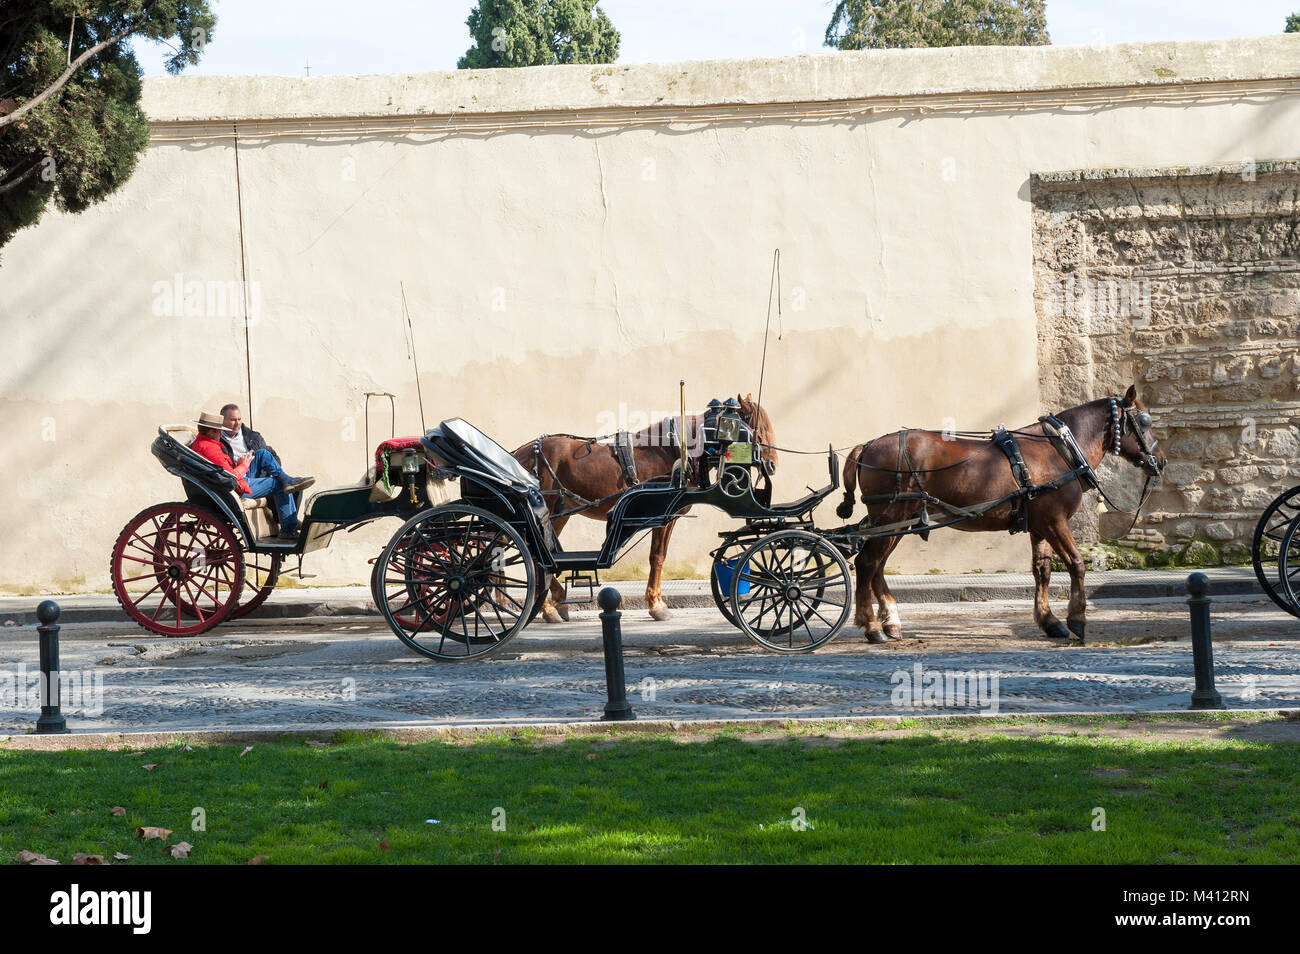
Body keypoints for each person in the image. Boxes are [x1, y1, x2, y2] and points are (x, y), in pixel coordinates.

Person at [190, 411, 315, 540]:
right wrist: (243, 465)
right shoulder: (209, 448)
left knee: (261, 454)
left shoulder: (204, 444)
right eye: (219, 431)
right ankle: (288, 529)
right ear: (211, 432)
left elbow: (225, 471)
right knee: (277, 484)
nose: (221, 433)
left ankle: (286, 479)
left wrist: (239, 464)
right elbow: (230, 478)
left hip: (237, 479)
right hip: (236, 487)